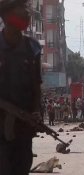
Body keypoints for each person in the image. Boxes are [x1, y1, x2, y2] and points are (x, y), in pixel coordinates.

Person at [0, 0, 42, 174]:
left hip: (24, 126)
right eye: (21, 9)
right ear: (7, 16)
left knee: (22, 167)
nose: (27, 13)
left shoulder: (32, 48)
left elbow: (37, 85)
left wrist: (36, 113)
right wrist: (11, 109)